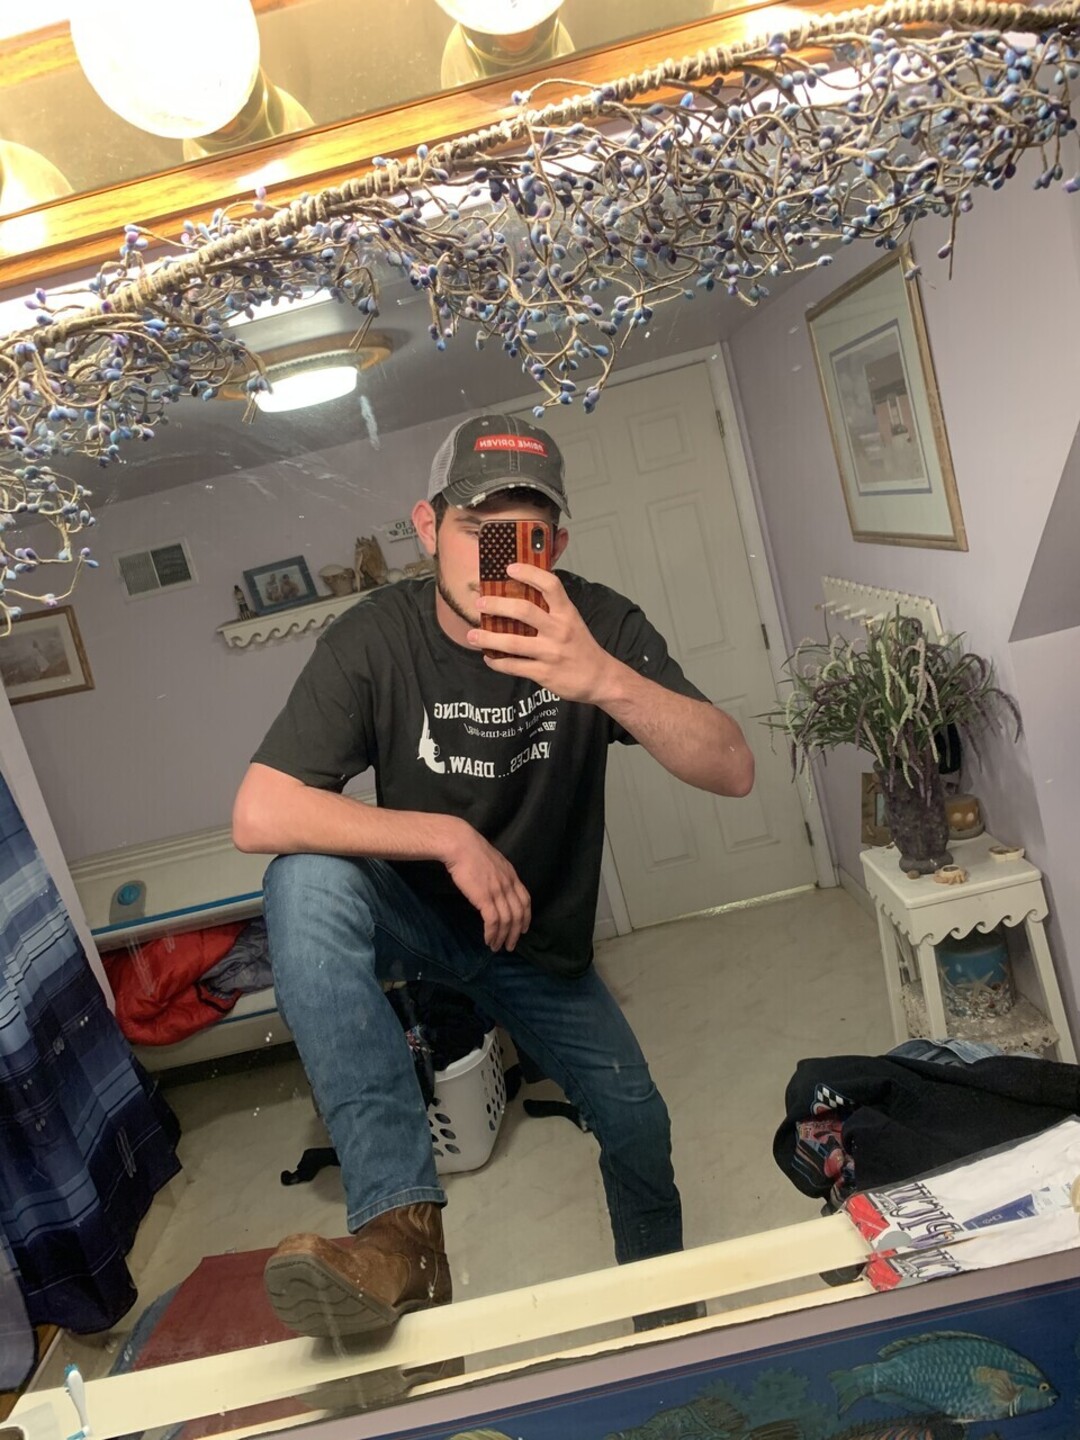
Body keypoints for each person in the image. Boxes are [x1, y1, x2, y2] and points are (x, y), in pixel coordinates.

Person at [232, 413, 755, 1342]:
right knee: (301, 882)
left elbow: (733, 767)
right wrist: (447, 838)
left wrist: (604, 679)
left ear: (557, 545)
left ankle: (664, 1321)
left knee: (637, 1124)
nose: (501, 559)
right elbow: (259, 812)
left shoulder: (596, 623)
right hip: (413, 914)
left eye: (528, 535)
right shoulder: (375, 637)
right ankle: (400, 1232)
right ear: (428, 527)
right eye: (479, 529)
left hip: (535, 941)